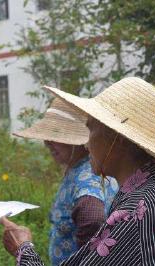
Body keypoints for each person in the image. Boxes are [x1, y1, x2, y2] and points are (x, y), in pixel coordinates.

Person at [1, 77, 155, 265]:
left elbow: (93, 219)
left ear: (118, 138)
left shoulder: (138, 210)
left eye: (91, 129)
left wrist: (23, 247)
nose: (86, 143)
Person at [13, 98, 118, 265]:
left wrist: (87, 260)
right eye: (47, 137)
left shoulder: (87, 177)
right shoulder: (82, 168)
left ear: (76, 141)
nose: (47, 143)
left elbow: (93, 218)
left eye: (55, 136)